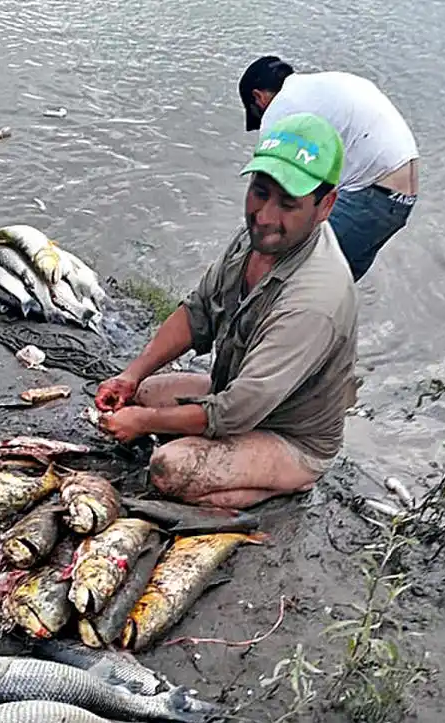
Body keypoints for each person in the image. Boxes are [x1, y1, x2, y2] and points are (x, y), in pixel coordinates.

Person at [95, 112, 358, 510]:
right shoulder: (256, 236)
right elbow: (197, 312)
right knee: (142, 395)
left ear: (325, 206)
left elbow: (233, 412)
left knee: (167, 468)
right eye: (260, 192)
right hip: (233, 389)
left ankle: (290, 484)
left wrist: (145, 423)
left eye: (289, 204)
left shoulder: (315, 299)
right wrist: (130, 376)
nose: (266, 216)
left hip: (289, 436)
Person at [238, 56, 418, 281]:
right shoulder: (323, 86)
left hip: (369, 195)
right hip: (399, 200)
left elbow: (267, 187)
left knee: (287, 271)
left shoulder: (280, 109)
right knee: (336, 286)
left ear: (259, 97)